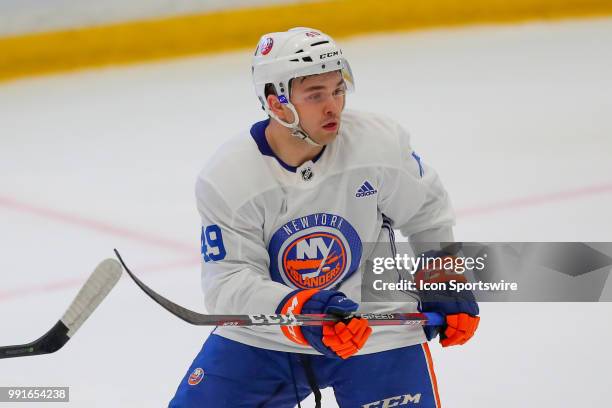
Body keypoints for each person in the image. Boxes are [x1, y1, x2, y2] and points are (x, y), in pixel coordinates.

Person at [170, 27, 480, 408]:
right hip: (267, 335)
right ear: (276, 103)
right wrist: (301, 310)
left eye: (338, 90)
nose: (333, 106)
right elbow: (229, 283)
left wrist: (441, 275)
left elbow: (426, 213)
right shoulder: (229, 176)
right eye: (315, 95)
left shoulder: (377, 143)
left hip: (373, 325)